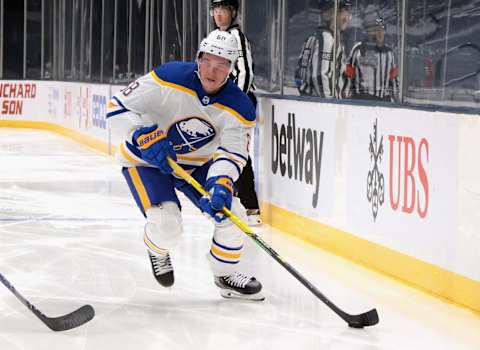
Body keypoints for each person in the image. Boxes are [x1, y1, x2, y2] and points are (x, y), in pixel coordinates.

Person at [106, 29, 264, 301]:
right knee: (167, 224)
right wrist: (140, 133)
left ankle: (225, 274)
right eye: (207, 62)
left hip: (196, 164)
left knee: (231, 211)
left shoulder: (240, 106)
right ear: (198, 58)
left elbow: (232, 153)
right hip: (147, 162)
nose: (211, 72)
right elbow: (116, 108)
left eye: (221, 65)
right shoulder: (169, 77)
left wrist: (221, 182)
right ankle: (158, 249)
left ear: (231, 70)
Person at [210, 0, 262, 226]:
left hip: (237, 103)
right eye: (215, 10)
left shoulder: (236, 37)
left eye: (223, 10)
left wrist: (235, 103)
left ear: (233, 13)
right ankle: (235, 198)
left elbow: (245, 73)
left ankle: (251, 208)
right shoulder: (213, 37)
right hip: (222, 103)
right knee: (223, 150)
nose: (218, 14)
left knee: (237, 150)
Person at [295, 0, 352, 98]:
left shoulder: (312, 38)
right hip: (324, 108)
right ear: (332, 14)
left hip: (311, 103)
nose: (347, 17)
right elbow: (320, 76)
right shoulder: (327, 40)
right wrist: (329, 103)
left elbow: (298, 75)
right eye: (344, 10)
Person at [345, 16, 399, 102]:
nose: (380, 32)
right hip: (362, 99)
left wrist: (396, 99)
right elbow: (348, 73)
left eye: (382, 29)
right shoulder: (359, 48)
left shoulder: (390, 53)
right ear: (371, 32)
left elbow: (394, 78)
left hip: (383, 101)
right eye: (377, 29)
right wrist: (346, 95)